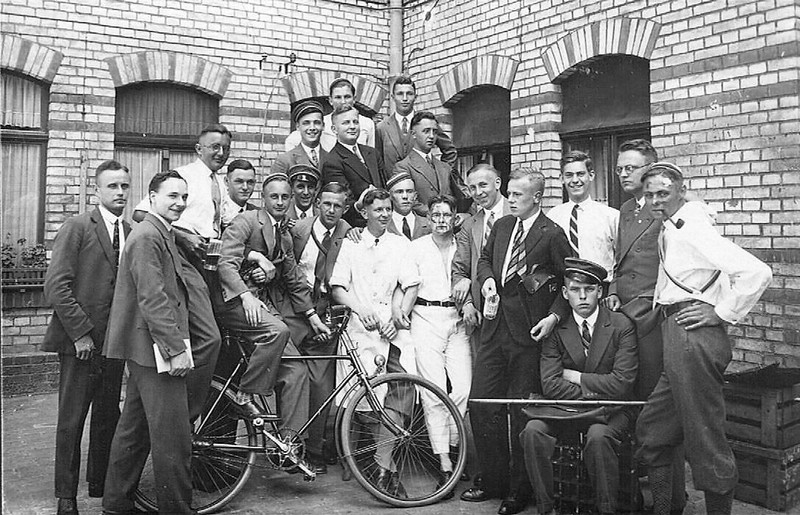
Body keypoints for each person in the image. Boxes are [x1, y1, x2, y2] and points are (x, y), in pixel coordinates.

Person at [636, 162, 772, 515]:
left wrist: (721, 312)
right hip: (675, 333)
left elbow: (757, 271)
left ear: (681, 191)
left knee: (705, 438)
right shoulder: (675, 225)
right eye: (649, 194)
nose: (655, 201)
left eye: (663, 193)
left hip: (692, 335)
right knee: (654, 428)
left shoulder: (692, 227)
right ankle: (665, 508)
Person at [461, 168, 573, 515]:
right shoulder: (502, 226)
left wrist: (553, 317)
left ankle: (519, 490)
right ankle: (493, 481)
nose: (510, 200)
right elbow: (483, 260)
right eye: (509, 193)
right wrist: (487, 279)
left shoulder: (552, 234)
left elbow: (569, 279)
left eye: (517, 195)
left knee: (521, 412)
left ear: (536, 197)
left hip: (528, 336)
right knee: (482, 403)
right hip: (494, 331)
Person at [601, 139, 686, 511]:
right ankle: (633, 492)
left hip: (652, 319)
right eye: (620, 168)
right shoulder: (625, 209)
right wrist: (614, 291)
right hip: (625, 318)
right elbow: (621, 262)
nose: (623, 174)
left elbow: (675, 267)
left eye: (631, 168)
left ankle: (671, 500)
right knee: (630, 402)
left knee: (660, 410)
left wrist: (645, 304)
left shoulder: (666, 209)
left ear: (650, 170)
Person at [103, 170, 194, 514]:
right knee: (173, 438)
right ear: (152, 197)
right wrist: (175, 350)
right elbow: (153, 298)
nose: (180, 203)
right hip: (154, 349)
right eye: (172, 196)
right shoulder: (148, 236)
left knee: (134, 429)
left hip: (145, 348)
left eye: (184, 197)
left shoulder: (157, 231)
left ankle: (116, 504)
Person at [43, 161, 131, 515]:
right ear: (97, 191)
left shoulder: (131, 230)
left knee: (108, 415)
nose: (120, 192)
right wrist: (80, 334)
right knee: (72, 419)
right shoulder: (78, 227)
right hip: (79, 344)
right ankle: (66, 496)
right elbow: (57, 286)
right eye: (112, 186)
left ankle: (100, 484)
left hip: (113, 343)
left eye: (125, 186)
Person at [520, 258, 638, 515]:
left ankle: (606, 510)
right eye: (575, 289)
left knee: (599, 436)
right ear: (565, 293)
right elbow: (551, 385)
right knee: (533, 431)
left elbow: (622, 383)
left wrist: (575, 377)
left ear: (600, 291)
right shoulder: (555, 329)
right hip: (566, 410)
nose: (582, 296)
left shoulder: (621, 326)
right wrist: (596, 390)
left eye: (589, 289)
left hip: (611, 411)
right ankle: (546, 509)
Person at [215, 173, 329, 438]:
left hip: (262, 303)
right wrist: (245, 295)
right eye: (274, 196)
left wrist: (312, 316)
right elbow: (225, 261)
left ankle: (289, 443)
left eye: (284, 197)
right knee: (278, 330)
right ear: (263, 198)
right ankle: (245, 394)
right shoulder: (247, 221)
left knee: (297, 370)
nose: (279, 202)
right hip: (234, 302)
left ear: (290, 200)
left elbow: (293, 279)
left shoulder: (284, 234)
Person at [132, 124, 226, 421]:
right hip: (183, 258)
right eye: (214, 147)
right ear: (199, 149)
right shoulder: (184, 176)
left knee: (215, 336)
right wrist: (183, 237)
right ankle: (185, 412)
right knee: (209, 338)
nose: (220, 153)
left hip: (208, 262)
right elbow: (139, 213)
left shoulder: (220, 183)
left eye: (225, 148)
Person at [330, 188, 419, 495]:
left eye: (387, 209)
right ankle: (359, 459)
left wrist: (399, 316)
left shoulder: (400, 244)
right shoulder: (352, 244)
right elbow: (338, 288)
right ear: (364, 212)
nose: (384, 214)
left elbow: (410, 285)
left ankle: (383, 463)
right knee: (362, 396)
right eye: (378, 209)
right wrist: (360, 309)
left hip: (391, 331)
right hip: (360, 329)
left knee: (401, 387)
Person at [406, 195, 472, 499]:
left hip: (456, 320)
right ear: (429, 218)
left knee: (462, 388)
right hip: (425, 317)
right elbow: (407, 285)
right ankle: (444, 461)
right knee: (433, 392)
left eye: (446, 215)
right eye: (436, 215)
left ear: (455, 218)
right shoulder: (417, 247)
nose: (441, 220)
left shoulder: (464, 246)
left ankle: (453, 446)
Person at [289, 181, 352, 473]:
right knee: (291, 376)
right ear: (317, 204)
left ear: (345, 208)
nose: (331, 210)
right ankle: (290, 444)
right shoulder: (299, 230)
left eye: (337, 205)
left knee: (321, 383)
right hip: (295, 308)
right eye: (326, 203)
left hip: (325, 310)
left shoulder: (348, 233)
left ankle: (315, 448)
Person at [452, 163, 511, 341]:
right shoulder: (470, 225)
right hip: (481, 315)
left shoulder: (517, 214)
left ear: (498, 183)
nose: (478, 192)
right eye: (472, 188)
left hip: (515, 314)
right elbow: (459, 270)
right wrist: (467, 304)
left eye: (483, 185)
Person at [546, 150, 618, 280]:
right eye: (569, 175)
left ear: (591, 175)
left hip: (601, 286)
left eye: (580, 174)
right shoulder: (553, 216)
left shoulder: (610, 216)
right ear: (561, 178)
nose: (575, 180)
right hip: (565, 286)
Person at [375, 75, 456, 177]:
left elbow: (450, 151)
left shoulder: (426, 124)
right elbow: (378, 162)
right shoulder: (382, 128)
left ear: (415, 97)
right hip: (394, 184)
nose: (405, 98)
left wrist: (442, 175)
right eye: (400, 94)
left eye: (409, 94)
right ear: (393, 97)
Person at [321, 104, 386, 227]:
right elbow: (342, 202)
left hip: (383, 220)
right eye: (346, 123)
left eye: (355, 122)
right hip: (357, 225)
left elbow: (384, 186)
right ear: (334, 129)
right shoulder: (332, 161)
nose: (352, 126)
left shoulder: (372, 153)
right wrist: (359, 205)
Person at [393, 111, 459, 216]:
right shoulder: (403, 167)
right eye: (426, 131)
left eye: (435, 132)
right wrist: (437, 214)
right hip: (423, 223)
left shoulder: (445, 167)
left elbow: (455, 197)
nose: (432, 136)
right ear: (413, 134)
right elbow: (409, 202)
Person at [284, 78, 375, 152]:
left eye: (347, 97)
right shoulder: (321, 123)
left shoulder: (367, 123)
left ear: (354, 99)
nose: (343, 102)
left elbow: (370, 154)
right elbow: (295, 138)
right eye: (338, 97)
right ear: (331, 100)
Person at [273, 100, 327, 174]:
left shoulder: (331, 158)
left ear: (323, 126)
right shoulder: (284, 161)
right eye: (306, 123)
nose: (312, 128)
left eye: (317, 123)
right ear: (298, 127)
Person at [386, 171, 431, 240]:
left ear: (415, 196)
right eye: (399, 192)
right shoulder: (383, 226)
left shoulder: (429, 224)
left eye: (409, 191)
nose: (405, 196)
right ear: (390, 196)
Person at [220, 159, 258, 232]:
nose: (245, 187)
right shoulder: (217, 212)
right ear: (226, 181)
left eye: (250, 182)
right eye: (239, 181)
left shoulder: (259, 214)